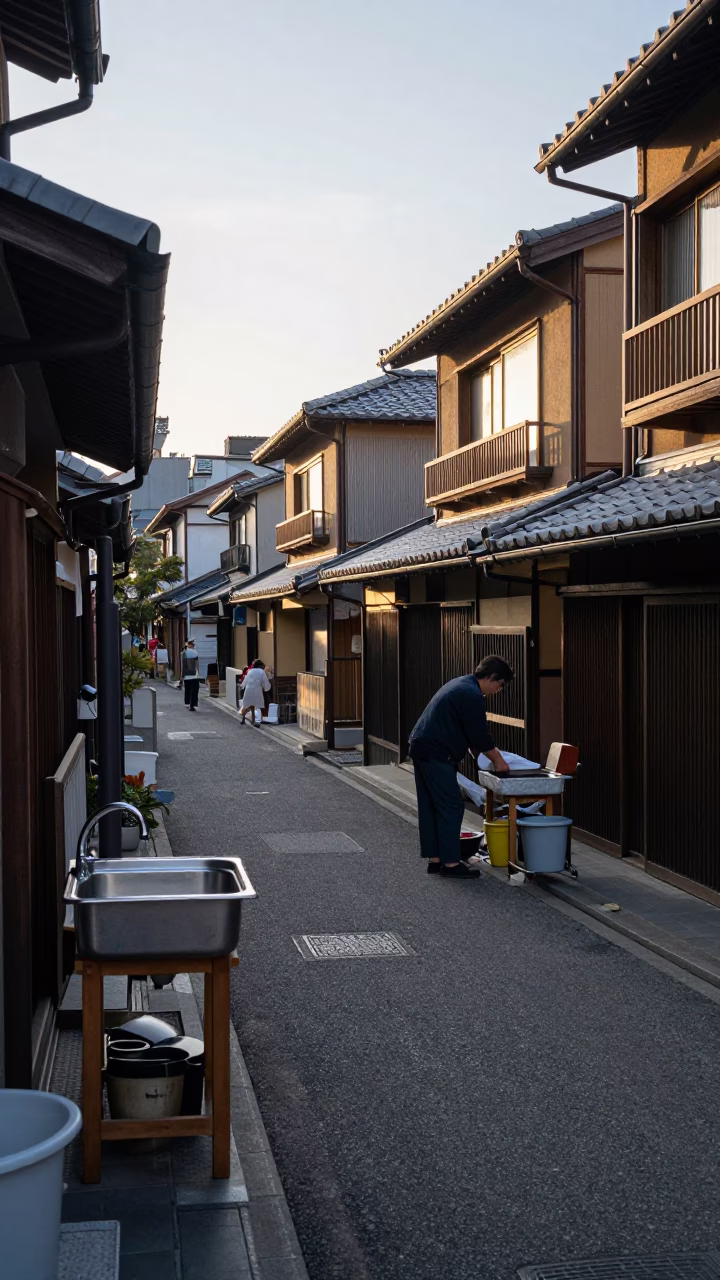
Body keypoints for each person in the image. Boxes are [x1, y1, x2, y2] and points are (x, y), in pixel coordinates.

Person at [408, 654, 515, 879]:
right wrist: (498, 759)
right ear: (492, 677)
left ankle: (435, 859)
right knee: (451, 805)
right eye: (500, 685)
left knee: (431, 804)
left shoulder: (461, 684)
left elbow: (463, 728)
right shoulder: (471, 694)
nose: (498, 690)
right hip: (436, 752)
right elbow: (479, 734)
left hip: (421, 746)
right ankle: (450, 863)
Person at [239, 659, 271, 726]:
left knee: (247, 705)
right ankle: (257, 721)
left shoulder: (250, 671)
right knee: (258, 706)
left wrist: (242, 686)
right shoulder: (261, 672)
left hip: (248, 689)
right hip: (257, 690)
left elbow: (245, 680)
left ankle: (243, 718)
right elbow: (265, 682)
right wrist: (267, 688)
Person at [181, 639, 201, 711]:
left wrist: (182, 677)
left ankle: (187, 703)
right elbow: (197, 665)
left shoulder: (184, 653)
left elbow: (182, 666)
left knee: (187, 689)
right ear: (192, 645)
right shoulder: (195, 652)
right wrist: (199, 674)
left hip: (186, 675)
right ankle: (193, 705)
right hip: (194, 675)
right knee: (194, 690)